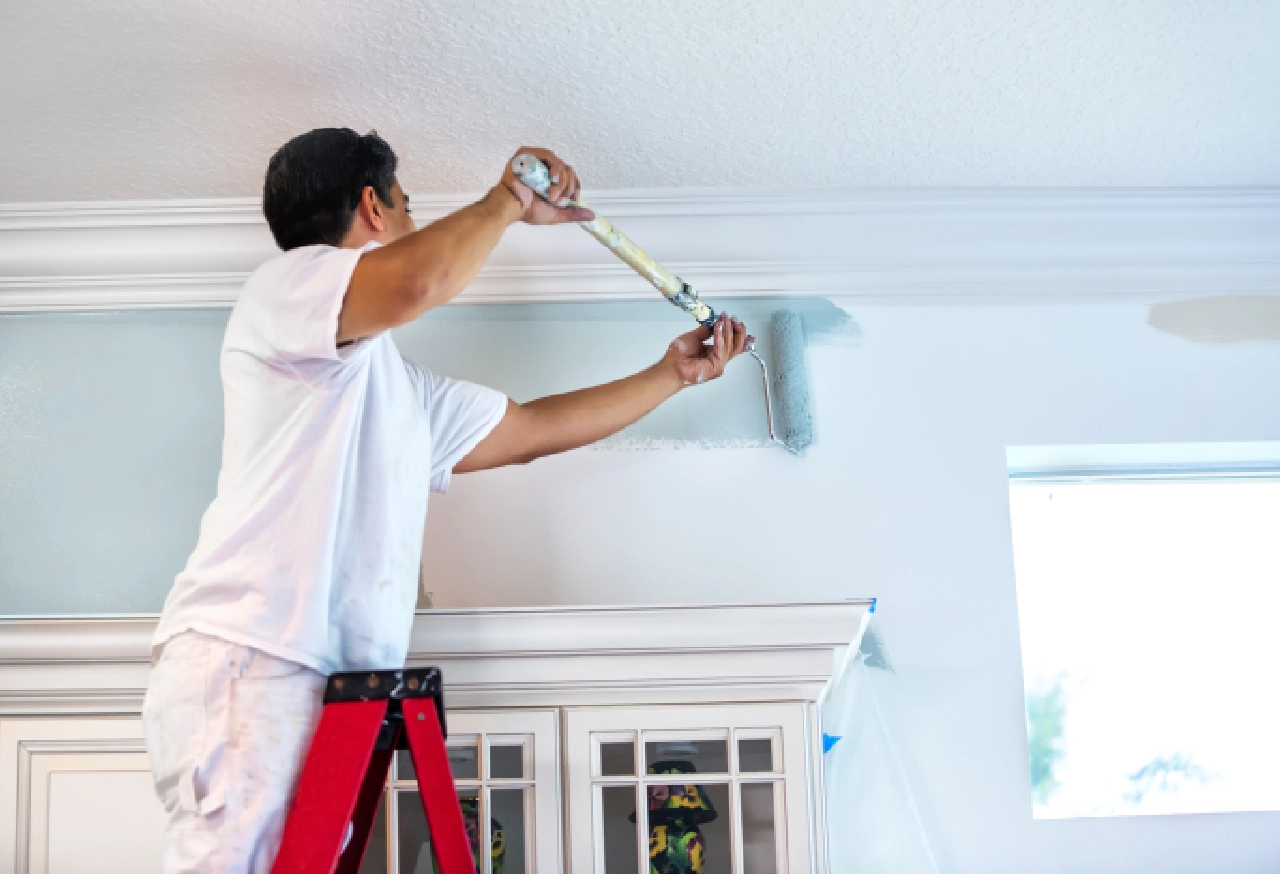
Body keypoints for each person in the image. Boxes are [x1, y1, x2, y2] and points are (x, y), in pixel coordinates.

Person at [141, 128, 750, 874]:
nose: (412, 221)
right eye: (406, 205)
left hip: (328, 687)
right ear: (372, 207)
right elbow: (418, 282)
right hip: (255, 657)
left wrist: (671, 376)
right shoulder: (286, 288)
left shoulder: (394, 392)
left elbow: (530, 429)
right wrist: (508, 200)